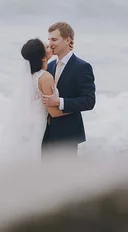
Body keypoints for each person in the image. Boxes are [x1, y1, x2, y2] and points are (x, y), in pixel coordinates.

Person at [41, 21, 96, 156]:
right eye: (49, 40)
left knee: (65, 176)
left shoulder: (82, 67)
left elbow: (89, 101)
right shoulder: (50, 65)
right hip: (45, 135)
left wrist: (59, 102)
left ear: (67, 40)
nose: (50, 44)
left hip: (67, 136)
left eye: (54, 39)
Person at [13, 38, 67, 161]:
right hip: (38, 126)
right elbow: (54, 112)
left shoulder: (28, 77)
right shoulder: (45, 77)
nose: (50, 46)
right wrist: (75, 107)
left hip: (29, 125)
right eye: (47, 47)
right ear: (43, 58)